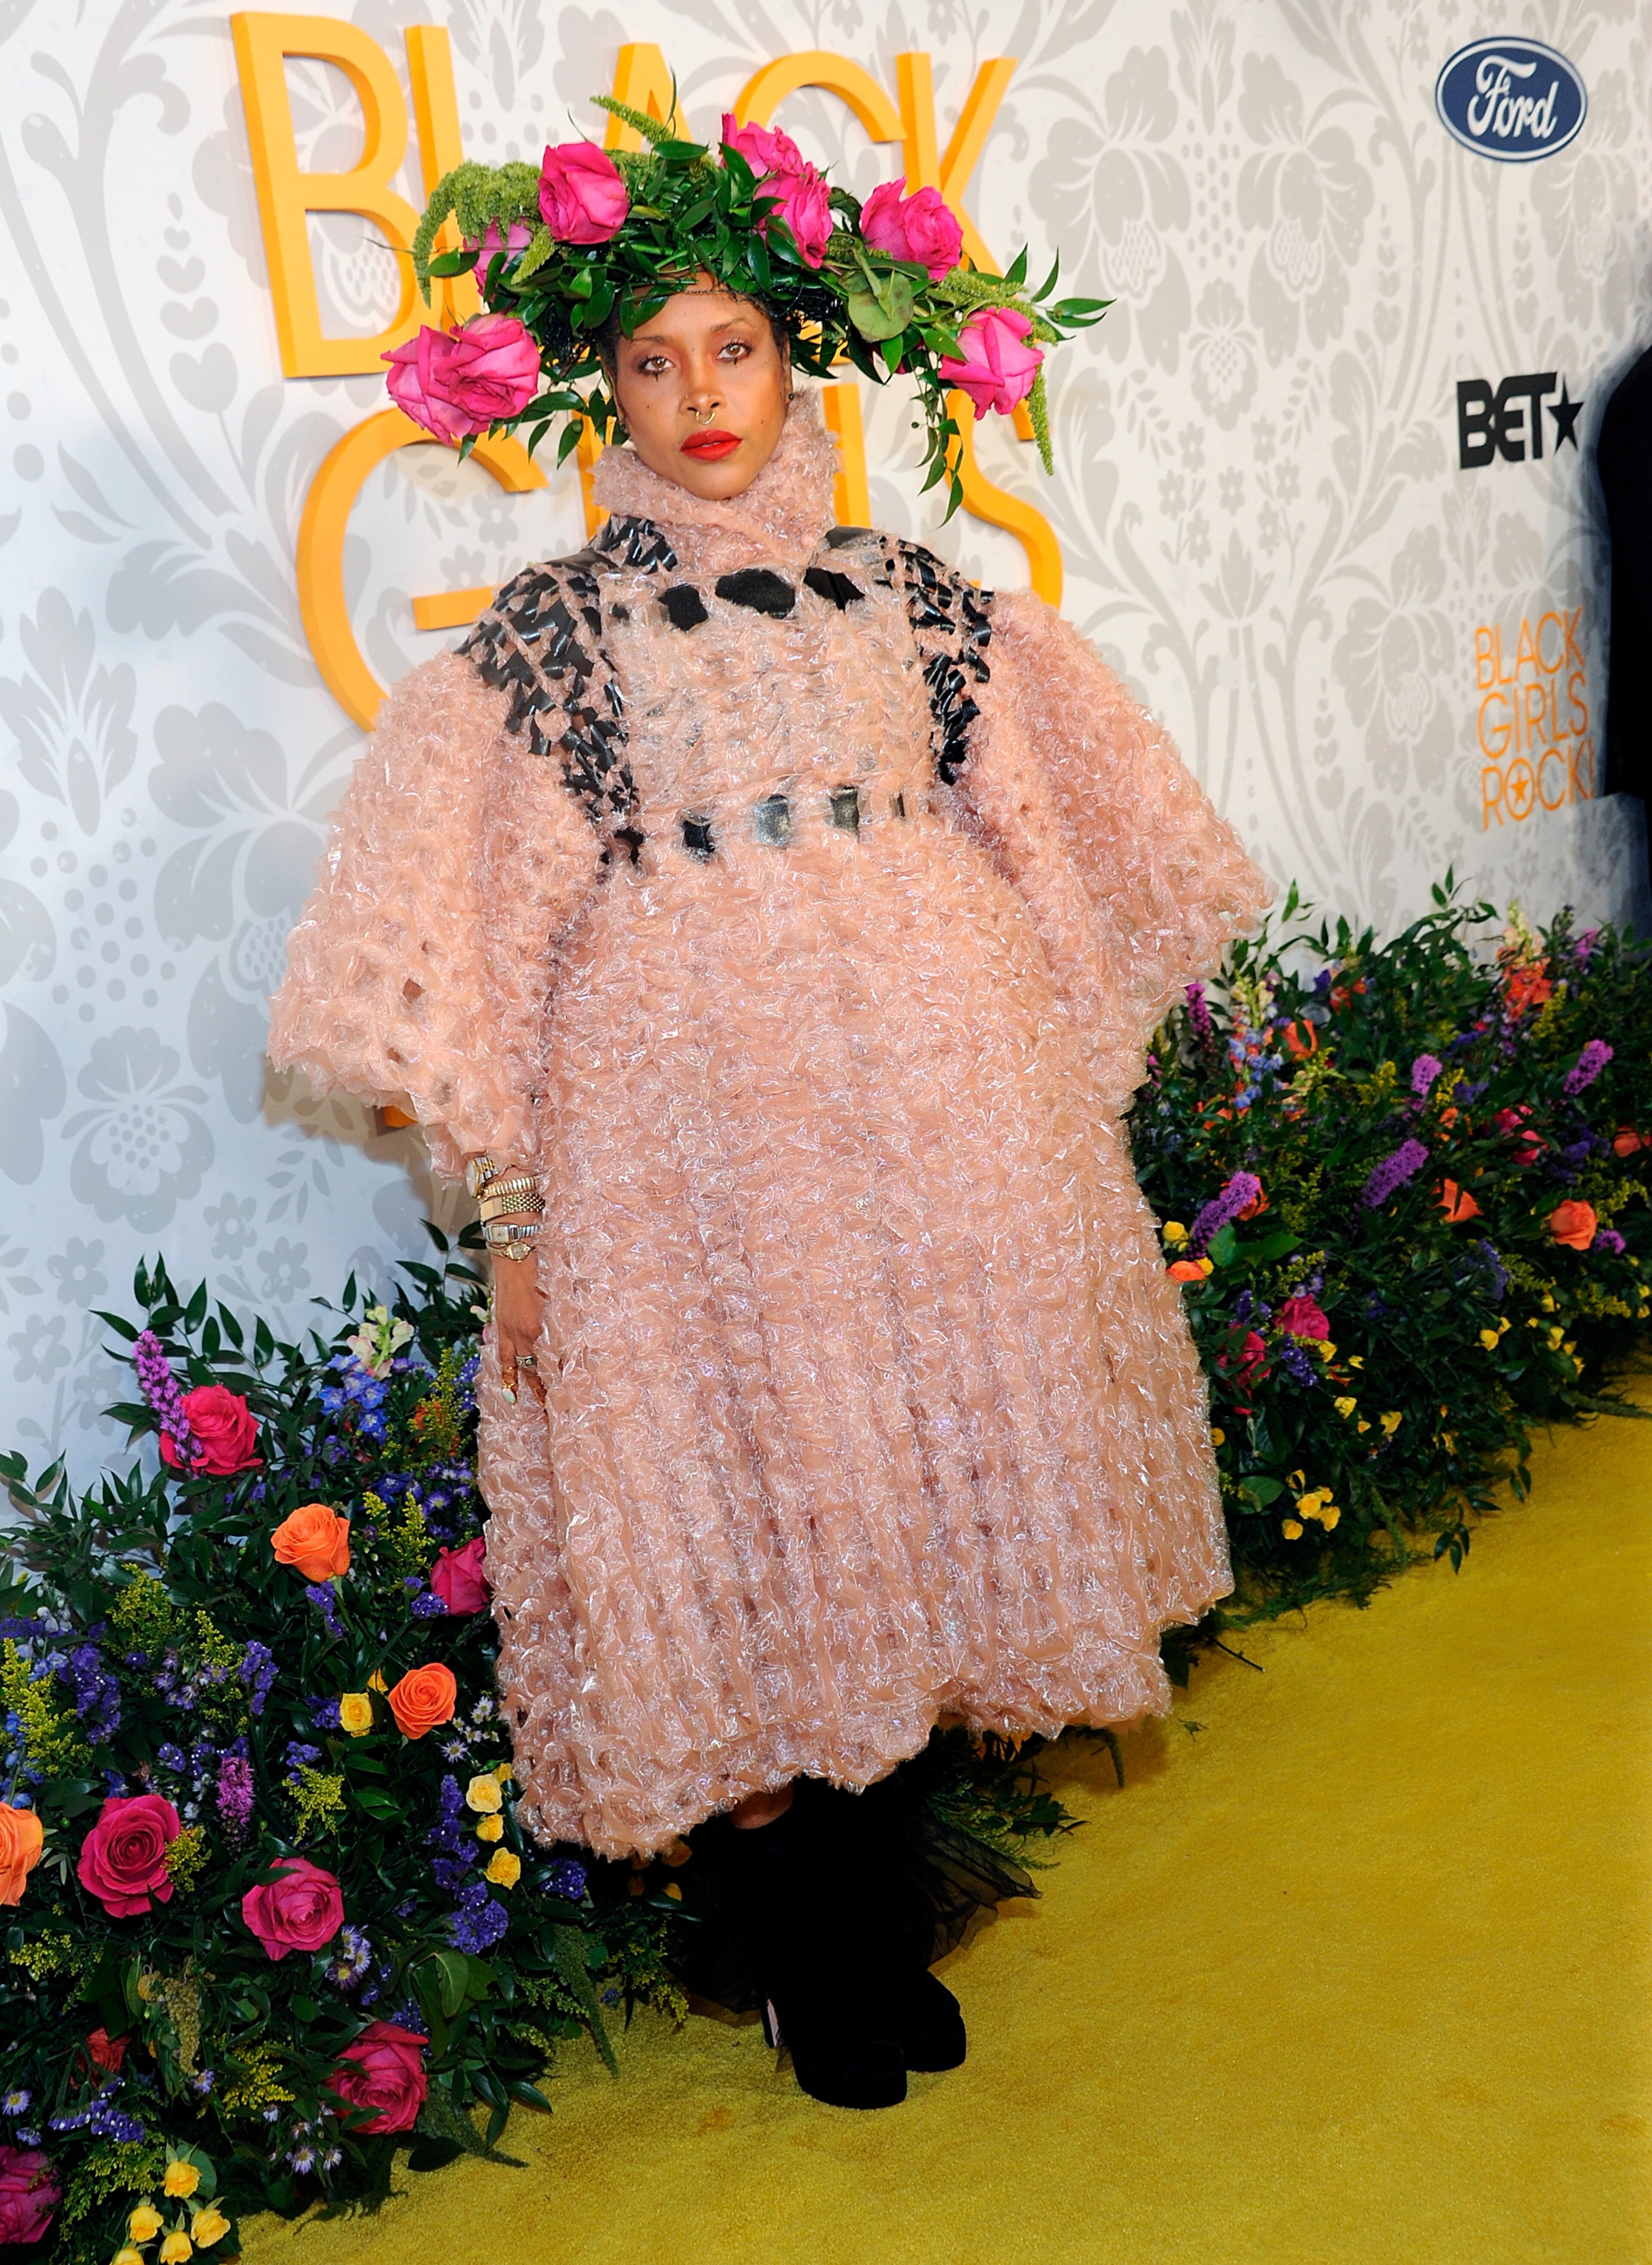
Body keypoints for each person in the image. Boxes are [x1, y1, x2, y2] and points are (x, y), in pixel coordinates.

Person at [268, 99, 1270, 2111]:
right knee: (750, 1519)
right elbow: (478, 946)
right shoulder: (552, 649)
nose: (699, 395)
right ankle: (801, 1961)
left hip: (935, 1124)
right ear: (601, 393)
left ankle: (879, 1927)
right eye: (653, 360)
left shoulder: (925, 601)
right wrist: (520, 1226)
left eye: (732, 348)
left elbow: (1066, 857)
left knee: (903, 1506)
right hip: (691, 1158)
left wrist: (1047, 1113)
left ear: (803, 355)